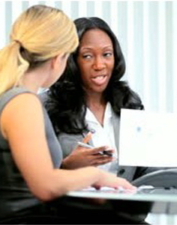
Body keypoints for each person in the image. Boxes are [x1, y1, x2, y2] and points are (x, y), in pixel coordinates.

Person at [0, 5, 137, 224]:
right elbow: (45, 185)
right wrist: (97, 175)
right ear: (59, 58)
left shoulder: (14, 98)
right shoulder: (24, 103)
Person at [43, 17, 177, 181]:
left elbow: (144, 171)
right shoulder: (45, 105)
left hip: (123, 210)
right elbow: (30, 179)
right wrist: (66, 166)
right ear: (72, 60)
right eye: (87, 56)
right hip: (71, 210)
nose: (99, 65)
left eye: (107, 54)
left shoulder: (127, 102)